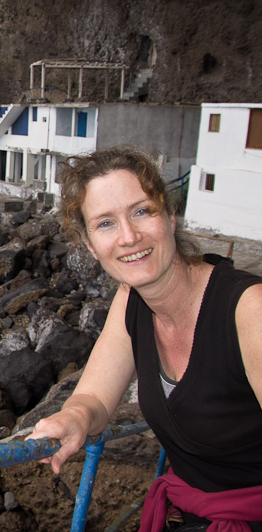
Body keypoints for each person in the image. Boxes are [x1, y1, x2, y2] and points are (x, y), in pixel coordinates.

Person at [26, 146, 262, 532]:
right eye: (106, 223)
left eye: (142, 211)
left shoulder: (249, 310)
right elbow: (95, 396)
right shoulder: (130, 299)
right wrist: (74, 417)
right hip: (187, 515)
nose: (129, 236)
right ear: (90, 244)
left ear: (170, 216)